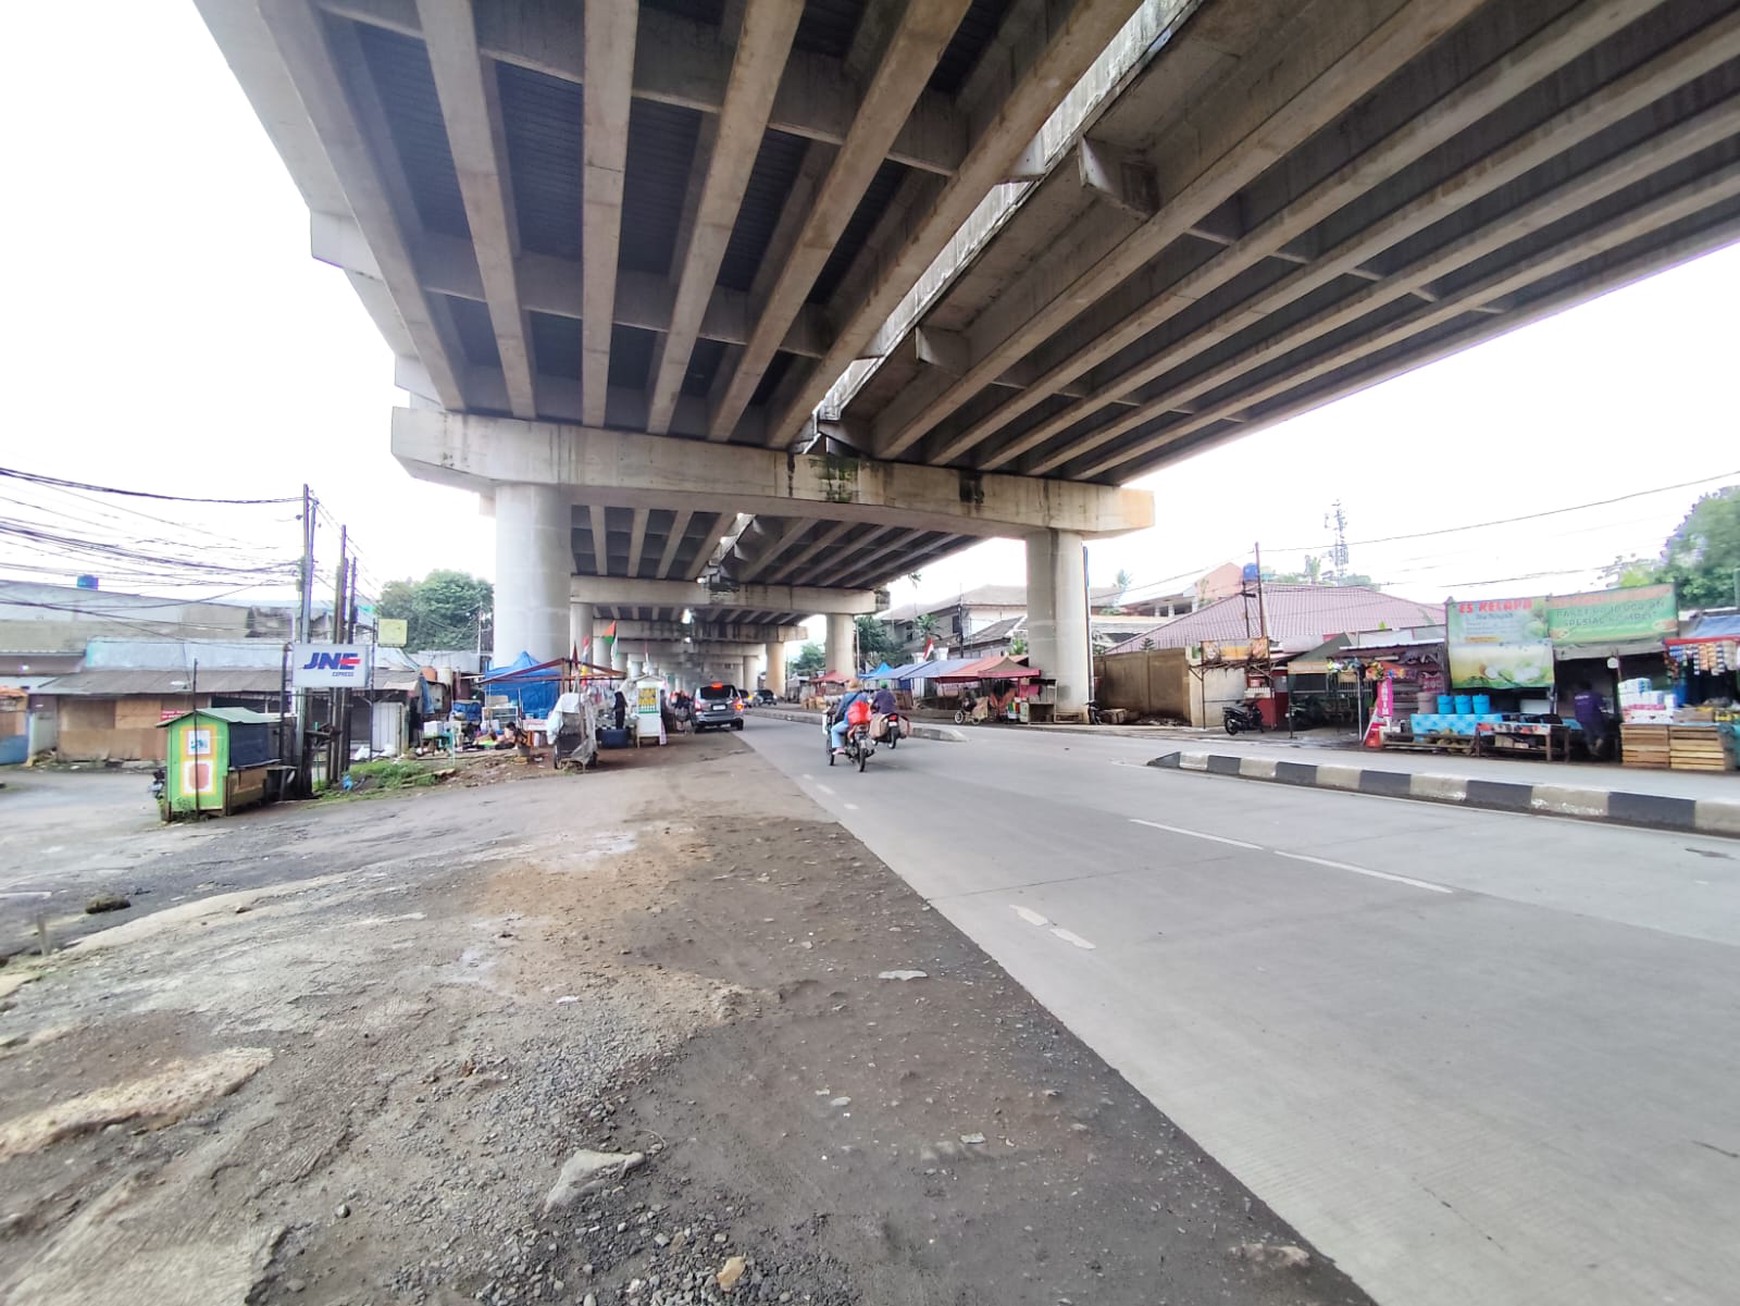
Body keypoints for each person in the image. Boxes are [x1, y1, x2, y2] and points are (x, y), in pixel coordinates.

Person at [1570, 681, 1612, 759]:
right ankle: (1595, 751)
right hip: (1594, 717)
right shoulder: (1595, 695)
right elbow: (1602, 708)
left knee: (1589, 736)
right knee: (1603, 735)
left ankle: (1592, 753)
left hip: (1581, 718)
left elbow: (1575, 710)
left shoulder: (1576, 697)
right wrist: (1607, 717)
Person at [829, 686, 872, 754]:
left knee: (834, 729)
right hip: (864, 720)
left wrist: (836, 716)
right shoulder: (864, 695)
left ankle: (839, 748)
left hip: (850, 722)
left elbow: (840, 709)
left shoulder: (846, 696)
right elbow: (871, 703)